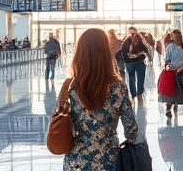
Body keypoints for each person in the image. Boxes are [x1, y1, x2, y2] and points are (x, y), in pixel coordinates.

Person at [59, 27, 138, 171]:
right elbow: (131, 127)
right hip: (108, 160)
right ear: (106, 53)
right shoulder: (118, 87)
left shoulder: (70, 85)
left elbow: (59, 118)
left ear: (80, 53)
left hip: (76, 161)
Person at [160, 29, 183, 119]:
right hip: (173, 73)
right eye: (174, 36)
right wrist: (167, 69)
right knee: (172, 91)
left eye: (177, 36)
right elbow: (167, 60)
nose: (175, 38)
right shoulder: (170, 47)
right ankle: (169, 109)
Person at [120, 27, 149, 103]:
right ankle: (135, 95)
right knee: (134, 78)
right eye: (131, 33)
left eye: (133, 32)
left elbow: (145, 50)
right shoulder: (128, 41)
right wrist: (127, 58)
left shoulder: (139, 40)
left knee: (138, 78)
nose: (132, 34)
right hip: (131, 62)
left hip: (137, 61)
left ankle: (138, 94)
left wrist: (139, 54)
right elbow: (123, 52)